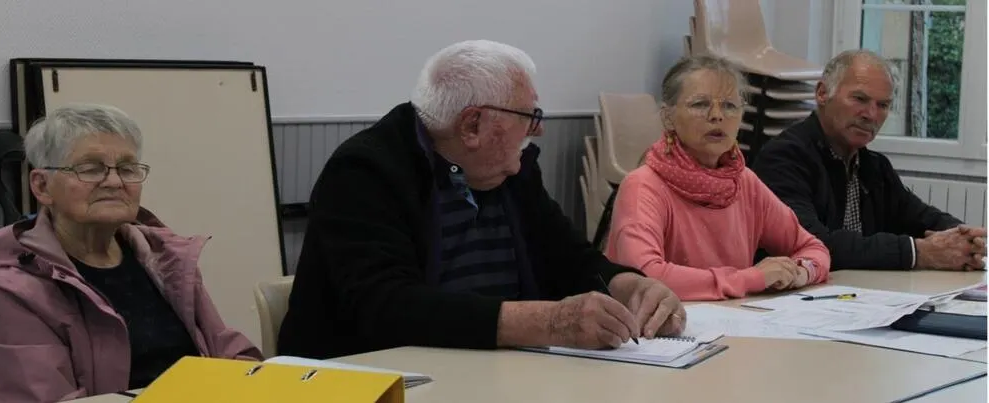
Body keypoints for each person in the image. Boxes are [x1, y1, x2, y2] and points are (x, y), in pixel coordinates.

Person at [277, 40, 686, 360]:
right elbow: (386, 307)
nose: (538, 130)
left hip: (496, 373)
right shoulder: (365, 172)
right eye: (529, 116)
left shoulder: (513, 169)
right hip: (378, 379)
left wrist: (628, 286)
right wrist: (549, 323)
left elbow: (568, 258)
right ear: (472, 125)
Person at [0, 104, 262, 402]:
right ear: (42, 186)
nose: (114, 182)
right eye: (91, 168)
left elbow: (226, 350)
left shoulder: (166, 260)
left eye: (127, 168)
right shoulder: (10, 293)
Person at [603, 55, 831, 301]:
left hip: (733, 319)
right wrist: (749, 279)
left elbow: (812, 248)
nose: (717, 116)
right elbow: (644, 277)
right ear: (668, 117)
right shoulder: (643, 185)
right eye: (700, 104)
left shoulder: (744, 182)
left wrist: (799, 273)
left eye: (730, 106)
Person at [752, 49, 987, 271]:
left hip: (859, 291)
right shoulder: (784, 157)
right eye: (859, 99)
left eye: (882, 105)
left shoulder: (874, 166)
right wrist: (919, 252)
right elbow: (811, 244)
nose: (871, 115)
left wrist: (964, 239)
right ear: (822, 93)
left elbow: (921, 216)